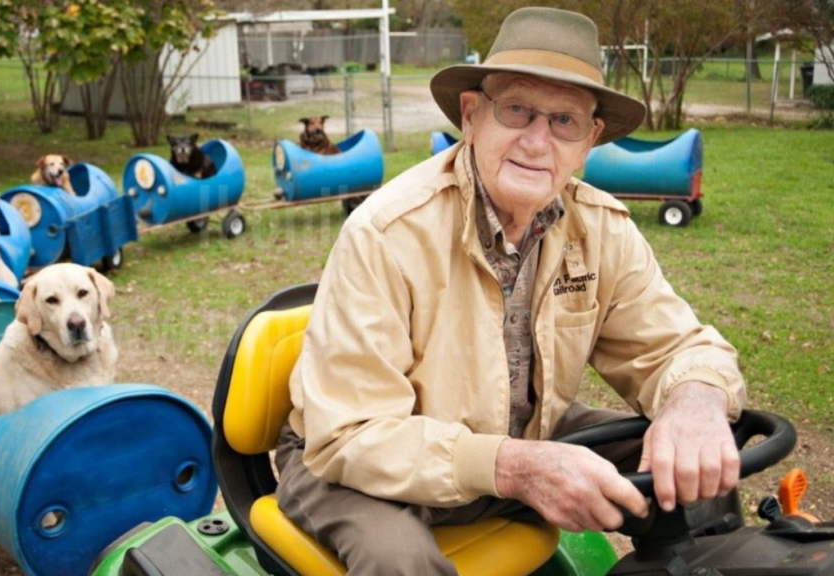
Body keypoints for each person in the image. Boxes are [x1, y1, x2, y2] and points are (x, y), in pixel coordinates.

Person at [275, 6, 747, 576]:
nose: (537, 141)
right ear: (471, 116)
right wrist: (516, 467)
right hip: (355, 463)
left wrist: (695, 397)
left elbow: (677, 348)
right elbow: (349, 435)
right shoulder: (386, 233)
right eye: (517, 110)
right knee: (399, 562)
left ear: (590, 140)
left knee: (699, 464)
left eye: (565, 121)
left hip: (524, 434)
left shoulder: (602, 228)